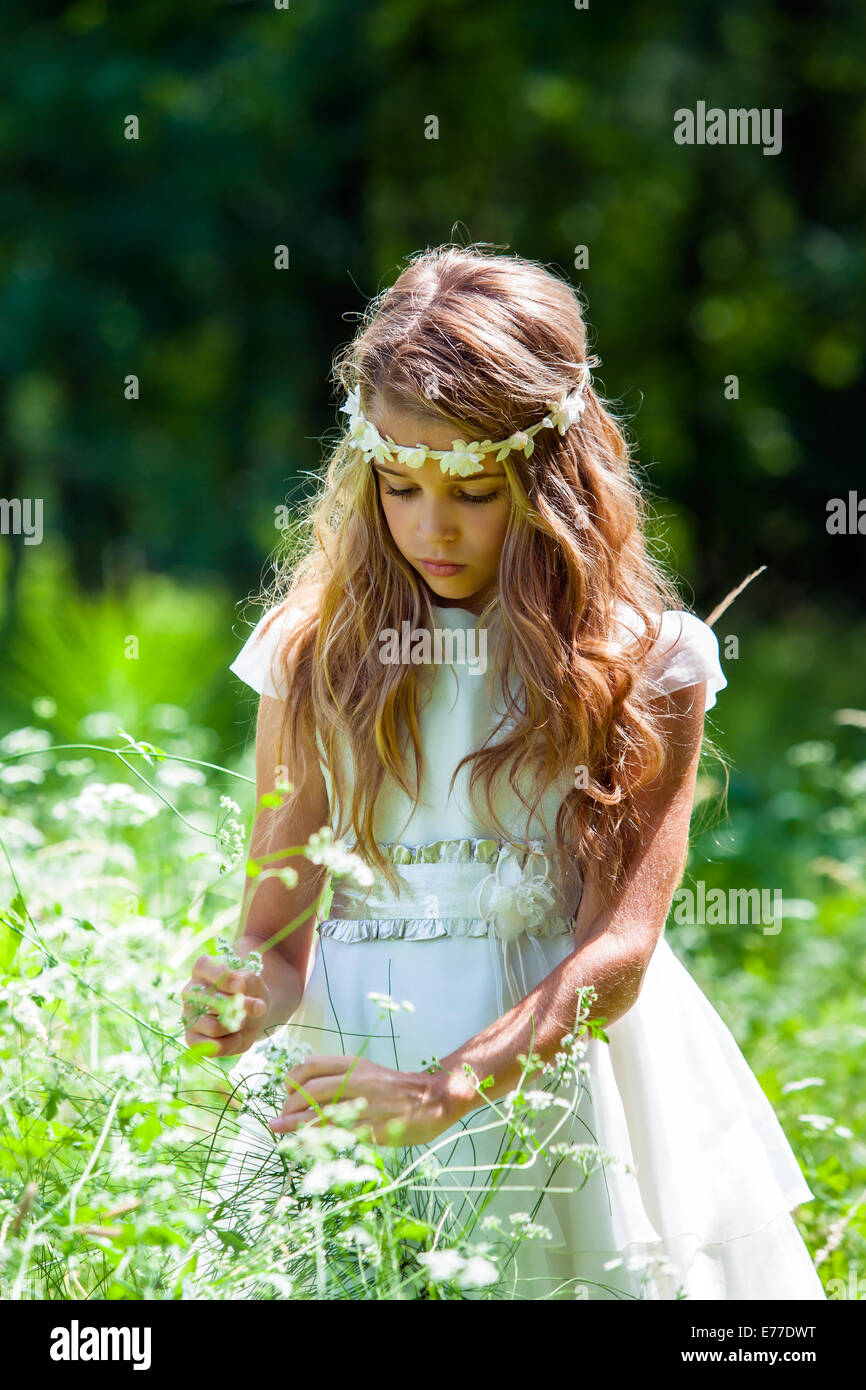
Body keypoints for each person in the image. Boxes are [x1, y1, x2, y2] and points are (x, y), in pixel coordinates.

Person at [182, 244, 825, 1300]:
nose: (430, 527)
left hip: (549, 1077)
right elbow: (278, 928)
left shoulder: (640, 660)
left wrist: (447, 1089)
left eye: (474, 492)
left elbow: (617, 947)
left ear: (551, 479)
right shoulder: (314, 653)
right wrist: (241, 992)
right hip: (351, 1069)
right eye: (399, 485)